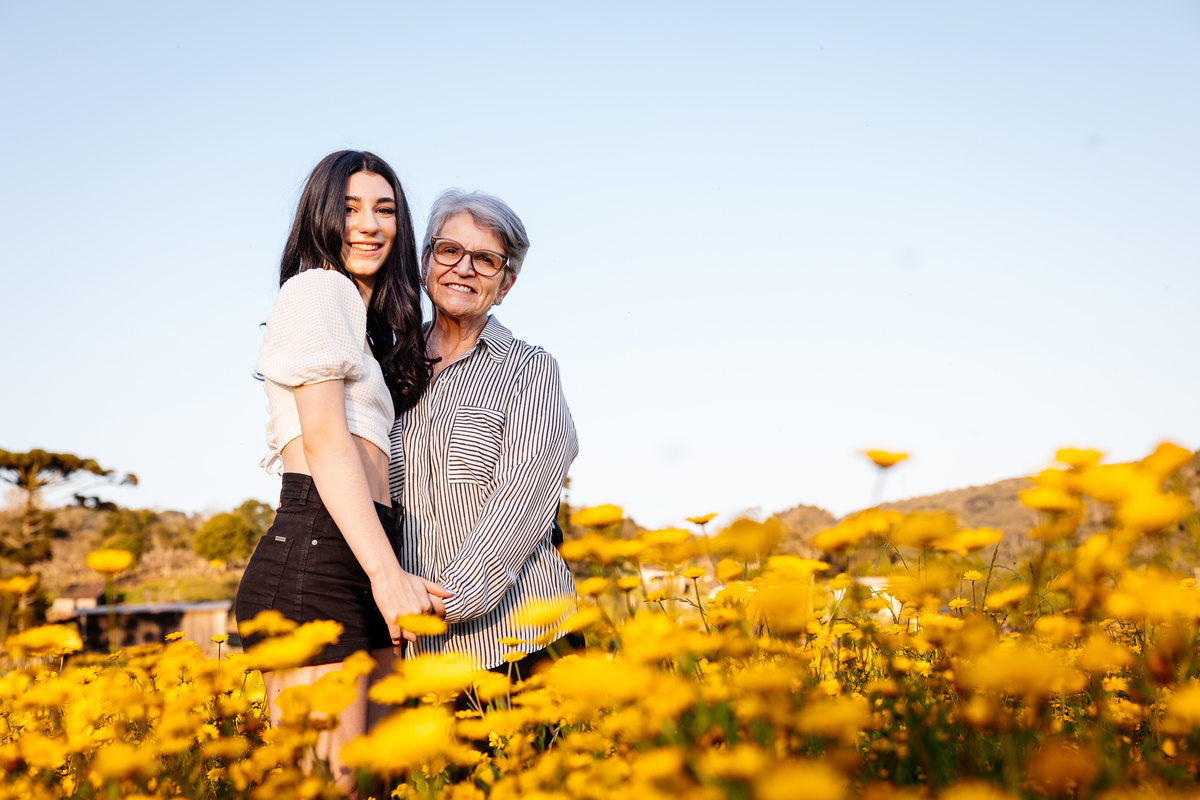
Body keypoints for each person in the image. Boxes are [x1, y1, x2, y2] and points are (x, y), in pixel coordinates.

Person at [235, 150, 450, 791]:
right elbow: (328, 441)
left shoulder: (360, 322)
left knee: (383, 783)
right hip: (315, 554)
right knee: (335, 790)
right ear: (321, 216)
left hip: (359, 549)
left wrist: (385, 569)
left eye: (385, 210)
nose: (370, 224)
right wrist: (389, 576)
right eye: (351, 207)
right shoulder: (317, 289)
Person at [388, 189, 579, 678]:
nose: (464, 268)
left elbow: (521, 501)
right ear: (427, 259)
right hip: (416, 655)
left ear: (507, 283)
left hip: (523, 643)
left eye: (486, 259)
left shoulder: (528, 368)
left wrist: (442, 604)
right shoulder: (384, 371)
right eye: (450, 250)